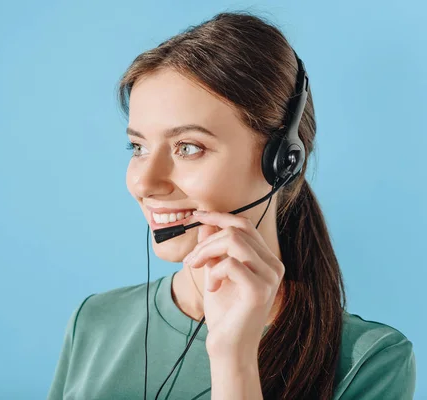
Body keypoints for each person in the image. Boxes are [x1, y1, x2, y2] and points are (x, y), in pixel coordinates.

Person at [46, 11, 416, 400]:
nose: (143, 182)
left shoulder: (370, 361)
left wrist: (233, 357)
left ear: (282, 162)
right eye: (138, 147)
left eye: (188, 148)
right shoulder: (94, 322)